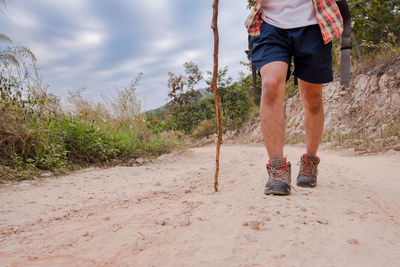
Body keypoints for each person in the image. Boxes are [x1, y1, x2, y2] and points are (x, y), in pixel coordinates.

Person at [245, 0, 343, 195]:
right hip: (270, 24)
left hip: (314, 23)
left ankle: (310, 160)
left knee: (313, 99)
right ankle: (277, 168)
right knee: (271, 84)